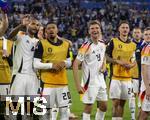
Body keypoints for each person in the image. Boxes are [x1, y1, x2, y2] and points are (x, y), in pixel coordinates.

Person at [33, 22, 72, 120]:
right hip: (46, 84)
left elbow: (69, 62)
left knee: (64, 111)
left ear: (57, 30)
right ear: (46, 32)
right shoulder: (41, 44)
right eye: (48, 28)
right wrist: (51, 65)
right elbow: (36, 64)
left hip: (63, 83)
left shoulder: (65, 44)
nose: (51, 30)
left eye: (53, 28)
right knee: (45, 113)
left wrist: (64, 63)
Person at [73, 20, 108, 120]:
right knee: (88, 107)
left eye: (97, 28)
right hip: (90, 82)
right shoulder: (85, 46)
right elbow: (75, 64)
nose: (95, 30)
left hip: (101, 80)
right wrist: (78, 85)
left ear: (100, 30)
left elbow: (103, 56)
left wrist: (104, 66)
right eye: (92, 28)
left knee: (104, 106)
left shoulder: (102, 43)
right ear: (89, 31)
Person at [8, 16, 40, 119]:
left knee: (29, 108)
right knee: (13, 106)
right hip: (19, 75)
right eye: (33, 24)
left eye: (38, 25)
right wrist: (21, 25)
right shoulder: (20, 36)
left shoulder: (38, 42)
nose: (36, 26)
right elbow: (9, 36)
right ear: (28, 24)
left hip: (33, 77)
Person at [106, 21, 136, 120]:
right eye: (123, 27)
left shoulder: (132, 45)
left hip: (127, 79)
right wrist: (117, 61)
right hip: (115, 78)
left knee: (122, 103)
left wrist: (131, 65)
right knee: (115, 103)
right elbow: (106, 57)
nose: (125, 29)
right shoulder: (113, 41)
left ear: (129, 30)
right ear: (119, 29)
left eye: (127, 28)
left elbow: (133, 60)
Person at [130, 27, 143, 120]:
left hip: (143, 76)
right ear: (132, 34)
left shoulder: (145, 44)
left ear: (141, 34)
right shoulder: (129, 45)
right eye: (135, 33)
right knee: (133, 96)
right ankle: (132, 117)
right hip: (133, 75)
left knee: (142, 96)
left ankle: (140, 116)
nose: (137, 34)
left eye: (138, 32)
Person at [139, 27, 150, 120]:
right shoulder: (147, 48)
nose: (148, 36)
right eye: (146, 34)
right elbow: (144, 68)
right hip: (148, 85)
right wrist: (147, 87)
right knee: (145, 113)